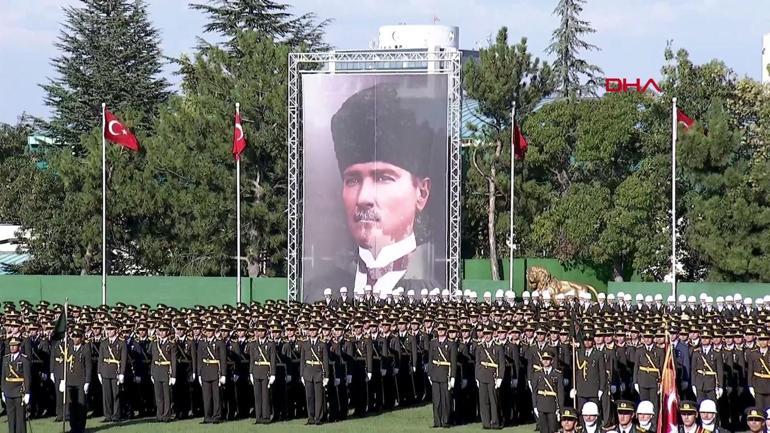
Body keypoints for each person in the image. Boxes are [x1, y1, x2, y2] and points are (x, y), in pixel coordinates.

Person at [311, 80, 445, 297]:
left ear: (421, 193)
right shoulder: (319, 291)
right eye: (353, 180)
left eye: (383, 178)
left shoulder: (435, 290)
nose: (363, 198)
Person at [428, 322, 457, 428]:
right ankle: (437, 422)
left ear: (446, 331)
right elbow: (430, 359)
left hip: (446, 374)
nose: (440, 331)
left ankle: (445, 421)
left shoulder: (451, 344)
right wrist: (429, 374)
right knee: (436, 400)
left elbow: (453, 362)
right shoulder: (433, 343)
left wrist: (453, 377)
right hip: (435, 374)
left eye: (442, 329)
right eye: (439, 329)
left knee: (446, 400)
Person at [97, 322, 127, 422]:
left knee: (116, 394)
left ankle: (116, 415)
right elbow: (100, 358)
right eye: (108, 329)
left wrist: (122, 373)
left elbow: (123, 359)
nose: (109, 331)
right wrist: (99, 372)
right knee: (106, 395)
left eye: (111, 329)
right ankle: (108, 415)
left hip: (115, 371)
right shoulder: (104, 342)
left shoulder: (121, 342)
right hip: (105, 370)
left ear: (116, 330)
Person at [63, 328, 92, 433]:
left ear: (81, 338)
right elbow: (65, 365)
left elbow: (88, 367)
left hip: (80, 382)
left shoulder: (85, 349)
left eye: (77, 337)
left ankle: (81, 428)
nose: (75, 339)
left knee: (81, 406)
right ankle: (73, 427)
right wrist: (63, 379)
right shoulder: (69, 349)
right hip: (70, 381)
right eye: (73, 337)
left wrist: (87, 381)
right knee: (72, 406)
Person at [300, 323, 328, 425]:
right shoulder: (305, 343)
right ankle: (310, 417)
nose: (312, 332)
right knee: (309, 397)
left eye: (314, 330)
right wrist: (302, 374)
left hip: (318, 372)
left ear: (317, 331)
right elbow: (302, 360)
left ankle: (318, 418)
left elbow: (325, 361)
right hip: (307, 373)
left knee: (319, 397)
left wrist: (326, 376)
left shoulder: (322, 343)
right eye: (310, 330)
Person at [475, 328, 504, 429]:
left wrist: (500, 377)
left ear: (492, 334)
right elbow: (477, 363)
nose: (487, 336)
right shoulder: (480, 347)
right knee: (483, 402)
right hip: (482, 376)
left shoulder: (498, 347)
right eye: (485, 334)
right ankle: (486, 423)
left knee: (493, 401)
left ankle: (495, 422)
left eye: (489, 334)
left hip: (493, 377)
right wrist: (477, 377)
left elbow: (501, 364)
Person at [1, 337, 31, 433]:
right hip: (8, 391)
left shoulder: (23, 359)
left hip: (19, 391)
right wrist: (3, 391)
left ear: (19, 346)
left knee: (20, 418)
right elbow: (3, 376)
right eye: (11, 346)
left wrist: (27, 392)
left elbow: (27, 377)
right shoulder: (6, 359)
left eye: (14, 345)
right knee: (11, 417)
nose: (12, 347)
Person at [150, 322, 176, 422]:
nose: (162, 333)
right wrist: (152, 372)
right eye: (160, 331)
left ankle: (166, 415)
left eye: (164, 331)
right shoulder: (155, 343)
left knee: (166, 395)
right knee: (158, 395)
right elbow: (153, 359)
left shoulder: (171, 344)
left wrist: (173, 375)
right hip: (157, 370)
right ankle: (159, 414)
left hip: (166, 371)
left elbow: (173, 361)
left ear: (168, 332)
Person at [533, 351, 563, 433]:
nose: (545, 361)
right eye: (544, 359)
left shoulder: (558, 374)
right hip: (541, 404)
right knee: (543, 430)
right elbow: (534, 392)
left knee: (553, 429)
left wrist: (560, 409)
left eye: (548, 359)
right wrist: (535, 406)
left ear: (552, 361)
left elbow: (560, 393)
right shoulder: (537, 374)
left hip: (552, 405)